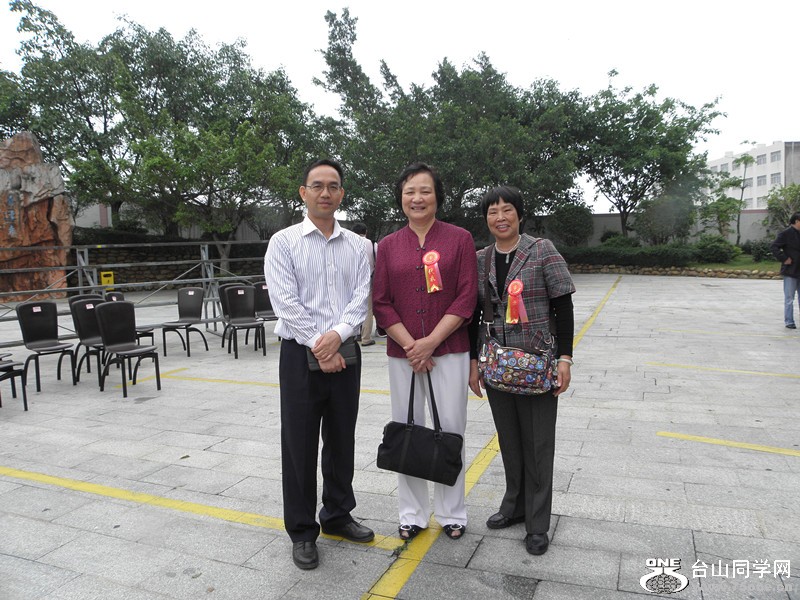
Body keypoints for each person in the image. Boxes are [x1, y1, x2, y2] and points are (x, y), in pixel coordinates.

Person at [264, 158, 373, 571]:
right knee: (299, 443)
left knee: (342, 438)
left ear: (341, 193)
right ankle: (302, 531)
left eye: (333, 186)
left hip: (346, 351)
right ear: (303, 192)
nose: (325, 193)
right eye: (317, 185)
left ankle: (338, 514)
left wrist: (337, 336)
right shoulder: (284, 242)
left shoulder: (359, 246)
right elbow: (284, 301)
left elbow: (361, 297)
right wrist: (318, 345)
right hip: (299, 354)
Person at [372, 162, 478, 541]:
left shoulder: (460, 239)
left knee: (451, 428)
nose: (417, 198)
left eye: (425, 191)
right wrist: (411, 346)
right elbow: (381, 302)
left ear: (437, 196)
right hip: (402, 355)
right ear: (401, 198)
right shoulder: (387, 246)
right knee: (408, 428)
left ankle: (452, 512)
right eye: (409, 192)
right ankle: (412, 513)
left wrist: (431, 341)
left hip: (450, 350)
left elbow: (466, 296)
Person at [468, 186, 575, 556]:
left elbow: (563, 306)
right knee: (510, 441)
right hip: (498, 365)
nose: (500, 217)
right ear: (486, 218)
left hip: (537, 365)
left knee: (538, 444)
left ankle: (537, 522)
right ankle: (513, 505)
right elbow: (474, 315)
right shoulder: (481, 258)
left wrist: (565, 358)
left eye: (507, 210)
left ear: (519, 214)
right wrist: (474, 362)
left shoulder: (542, 250)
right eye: (493, 211)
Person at [769, 212, 800, 329]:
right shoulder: (785, 234)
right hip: (791, 270)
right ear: (797, 221)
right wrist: (784, 258)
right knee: (789, 298)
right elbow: (774, 247)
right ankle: (789, 321)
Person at [351, 222, 377, 346]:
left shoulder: (347, 243)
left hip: (350, 281)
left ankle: (353, 334)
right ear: (365, 232)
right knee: (368, 309)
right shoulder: (372, 244)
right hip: (367, 280)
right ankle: (365, 338)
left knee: (351, 307)